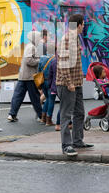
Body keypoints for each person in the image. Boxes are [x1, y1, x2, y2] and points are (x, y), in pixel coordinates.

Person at [57, 14, 93, 156]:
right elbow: (63, 63)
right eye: (83, 25)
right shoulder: (67, 39)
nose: (83, 27)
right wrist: (69, 82)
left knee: (80, 113)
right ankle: (66, 145)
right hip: (67, 84)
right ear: (78, 25)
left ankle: (78, 141)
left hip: (77, 83)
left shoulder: (75, 39)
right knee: (66, 115)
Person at [8, 31, 43, 123]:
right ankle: (41, 116)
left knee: (18, 96)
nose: (39, 40)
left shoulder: (29, 46)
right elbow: (29, 60)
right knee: (35, 97)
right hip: (30, 76)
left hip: (23, 76)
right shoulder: (31, 47)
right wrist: (39, 60)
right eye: (39, 37)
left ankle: (12, 114)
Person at [38, 42, 56, 126]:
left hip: (43, 81)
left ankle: (43, 118)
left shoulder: (41, 58)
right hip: (50, 81)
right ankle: (49, 120)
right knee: (51, 100)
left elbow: (38, 71)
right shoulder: (54, 59)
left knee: (47, 99)